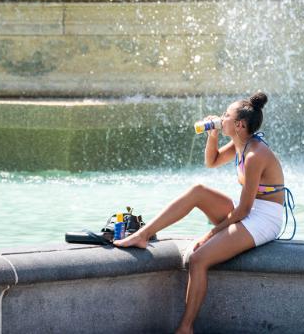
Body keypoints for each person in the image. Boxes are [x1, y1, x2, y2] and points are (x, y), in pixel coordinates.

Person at [114, 91, 294, 334]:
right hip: (249, 209)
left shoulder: (254, 155)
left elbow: (243, 210)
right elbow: (212, 161)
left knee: (198, 260)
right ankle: (143, 235)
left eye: (225, 116)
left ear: (239, 125)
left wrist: (209, 236)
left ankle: (185, 328)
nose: (221, 117)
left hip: (264, 218)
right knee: (197, 191)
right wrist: (213, 135)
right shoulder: (240, 143)